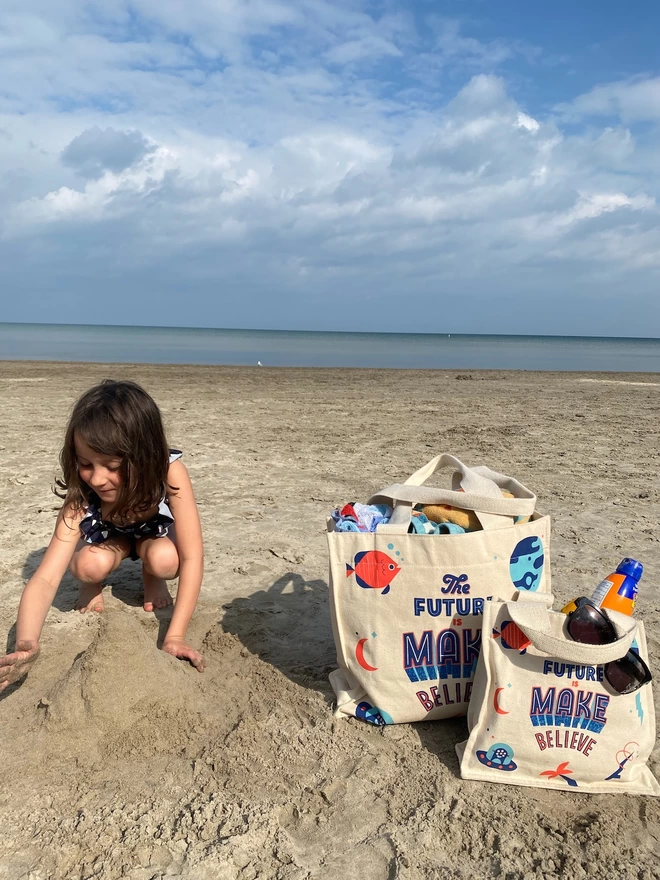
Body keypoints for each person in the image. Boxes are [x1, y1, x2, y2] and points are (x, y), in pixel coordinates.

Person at [0, 379, 205, 692]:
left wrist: (175, 635)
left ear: (146, 456)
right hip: (109, 539)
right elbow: (45, 579)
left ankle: (153, 577)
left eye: (111, 466)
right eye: (85, 464)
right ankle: (91, 585)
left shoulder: (170, 472)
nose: (97, 478)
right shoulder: (82, 497)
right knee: (88, 566)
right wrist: (27, 644)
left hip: (152, 535)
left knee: (167, 560)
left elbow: (192, 557)